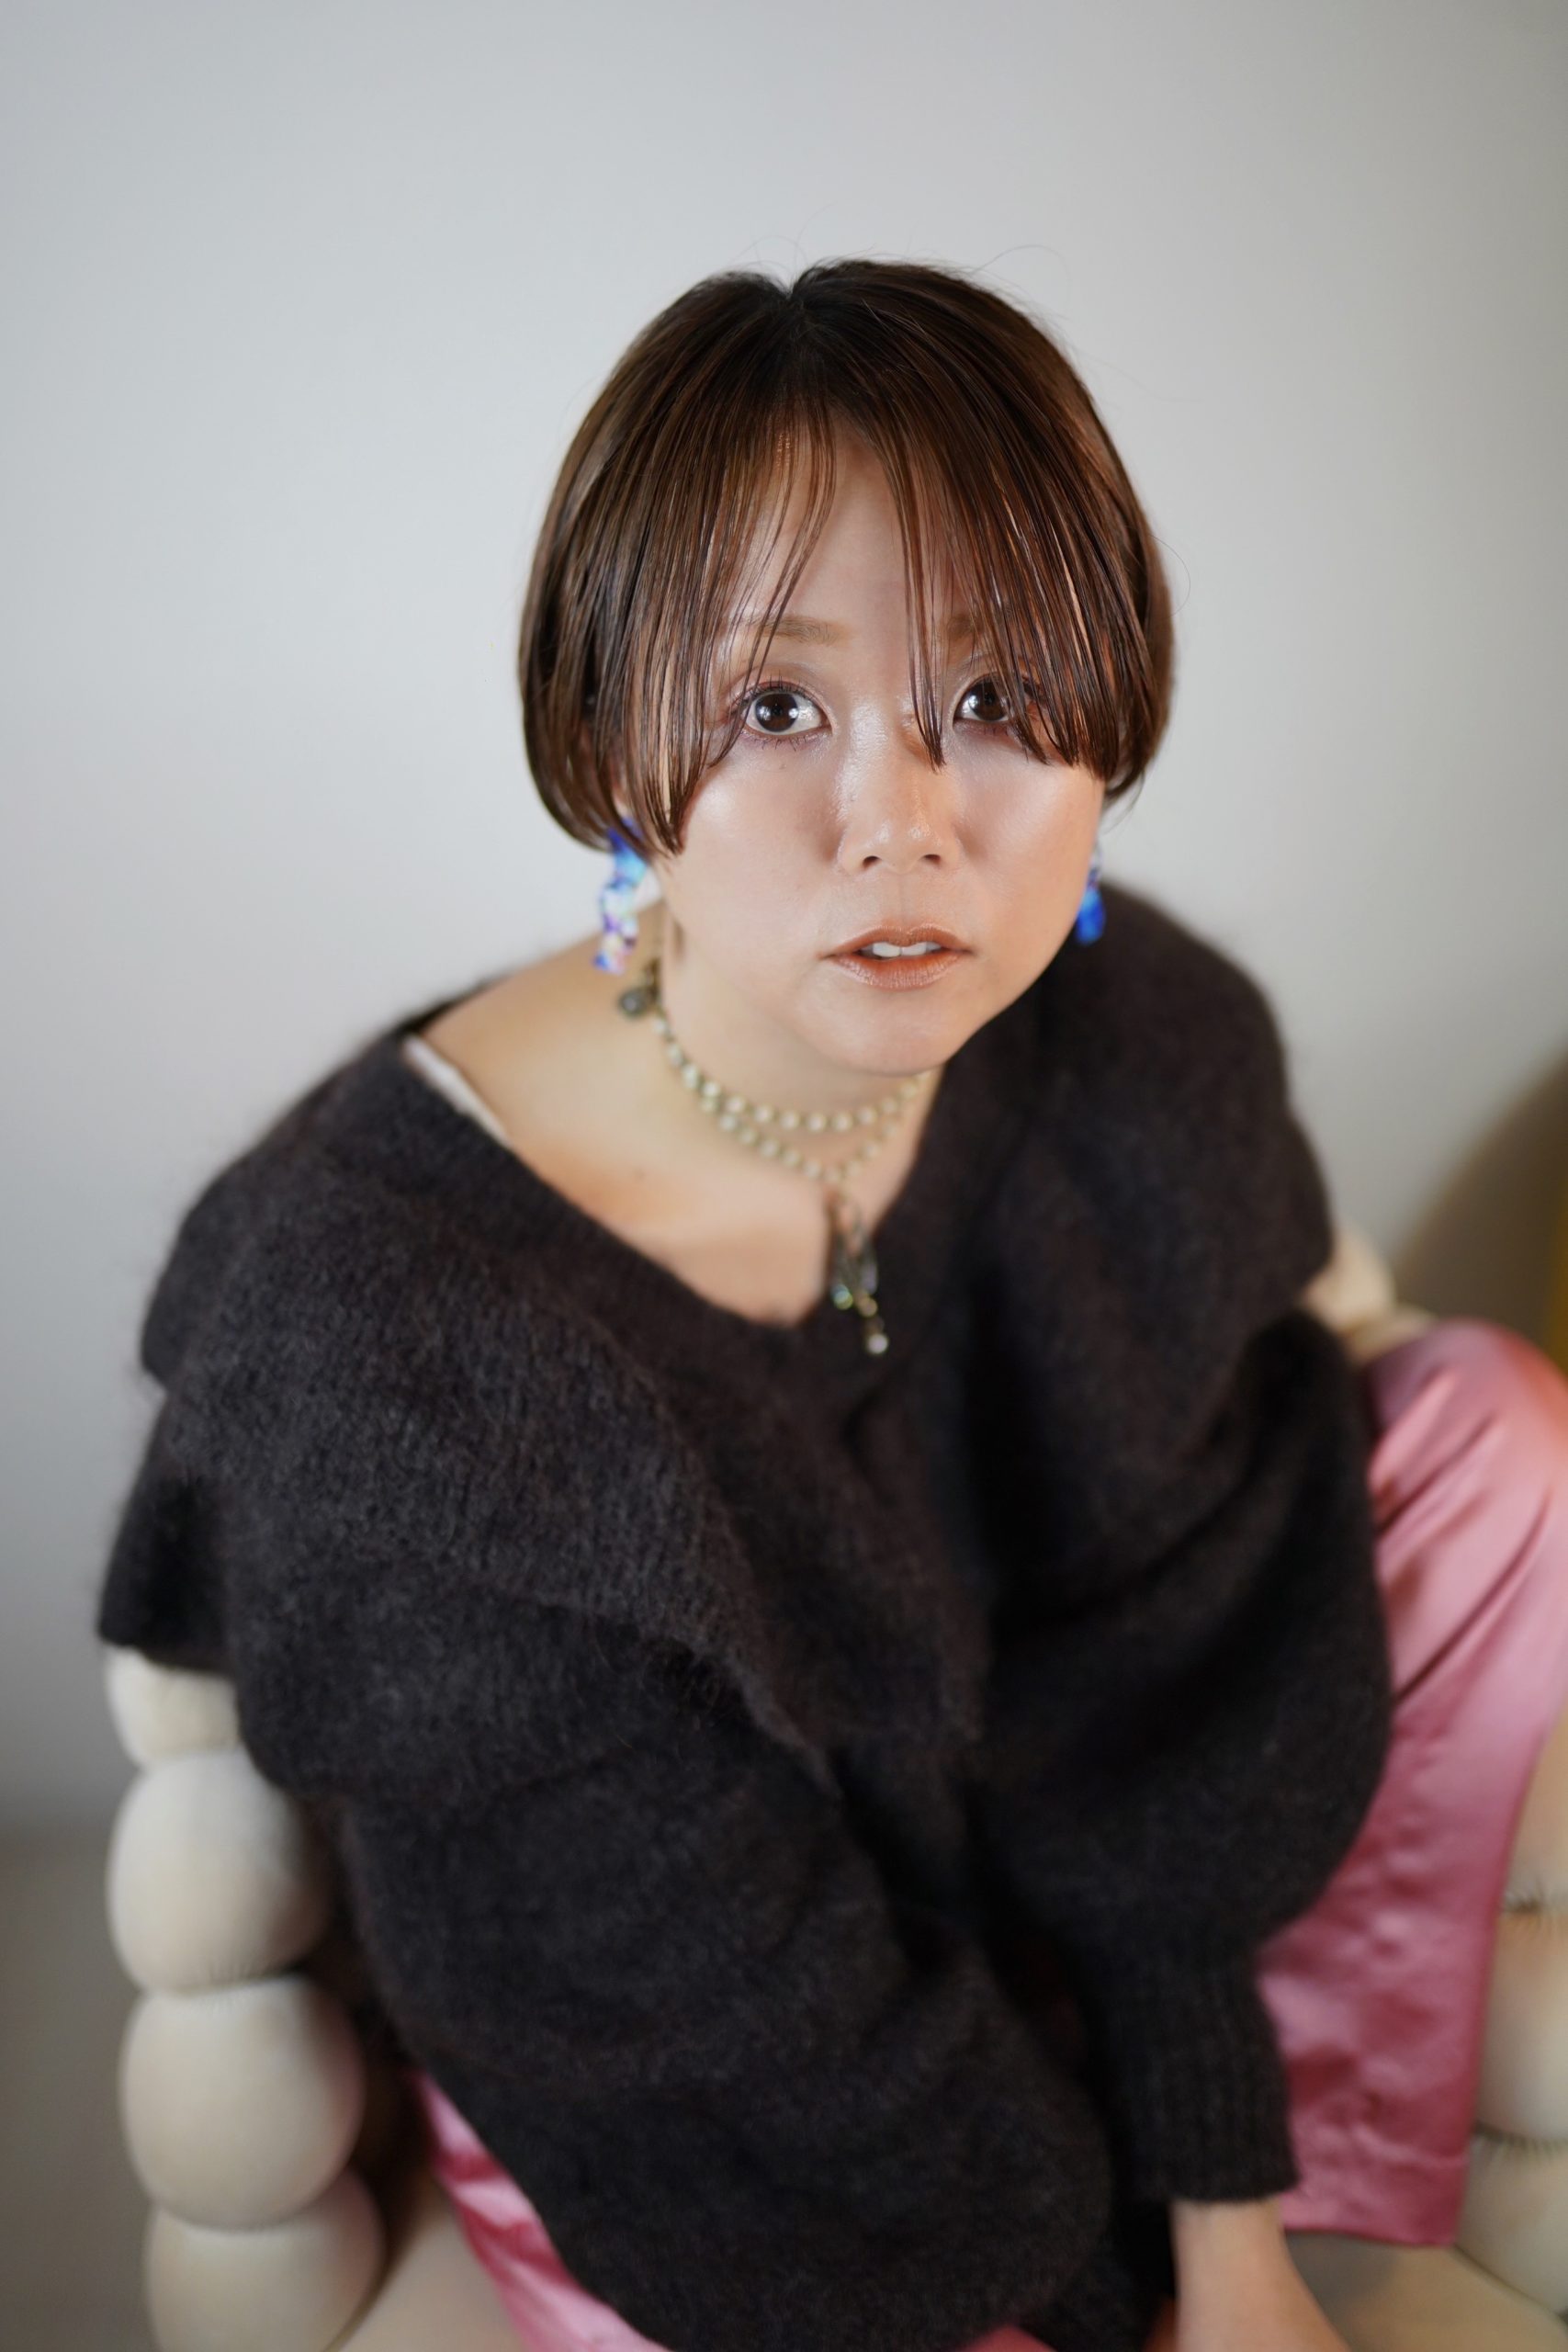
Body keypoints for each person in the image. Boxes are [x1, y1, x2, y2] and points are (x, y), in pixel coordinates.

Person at [94, 258, 1568, 2352]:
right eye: (776, 708)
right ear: (613, 739)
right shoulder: (398, 1340)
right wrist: (1116, 2317)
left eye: (998, 698)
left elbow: (1180, 1663)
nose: (904, 822)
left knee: (1486, 1420)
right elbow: (713, 2032)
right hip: (706, 2121)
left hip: (1030, 1885)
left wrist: (1228, 2239)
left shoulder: (1127, 1040)